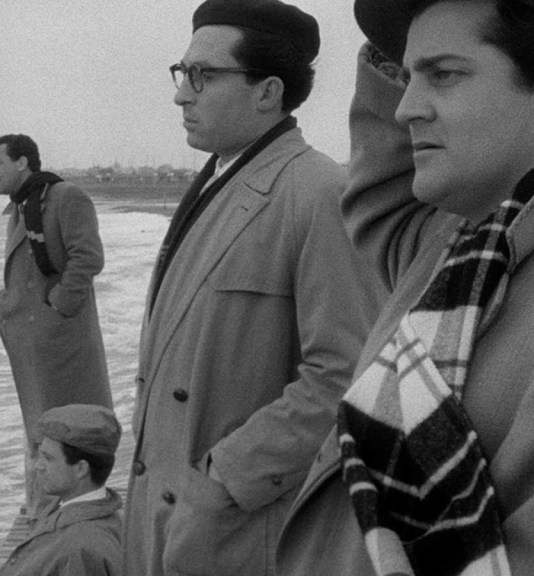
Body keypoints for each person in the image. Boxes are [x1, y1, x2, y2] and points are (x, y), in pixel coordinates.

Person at [276, 1, 534, 575]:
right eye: (407, 75)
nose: (404, 112)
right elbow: (381, 198)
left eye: (444, 74)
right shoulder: (465, 243)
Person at [122, 1, 385, 574]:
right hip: (168, 512)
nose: (181, 94)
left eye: (203, 76)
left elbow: (346, 373)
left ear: (268, 92)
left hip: (233, 525)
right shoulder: (219, 177)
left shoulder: (316, 192)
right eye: (182, 72)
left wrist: (225, 478)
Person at [0, 134, 114, 519]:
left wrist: (57, 306)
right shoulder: (24, 205)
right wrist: (6, 302)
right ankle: (44, 514)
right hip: (35, 342)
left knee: (66, 434)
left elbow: (88, 257)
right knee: (45, 433)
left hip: (61, 342)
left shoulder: (64, 197)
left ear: (23, 163)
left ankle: (56, 520)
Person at [0, 404, 124, 576]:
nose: (37, 466)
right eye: (40, 455)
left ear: (81, 469)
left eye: (48, 458)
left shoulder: (81, 548)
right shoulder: (77, 512)